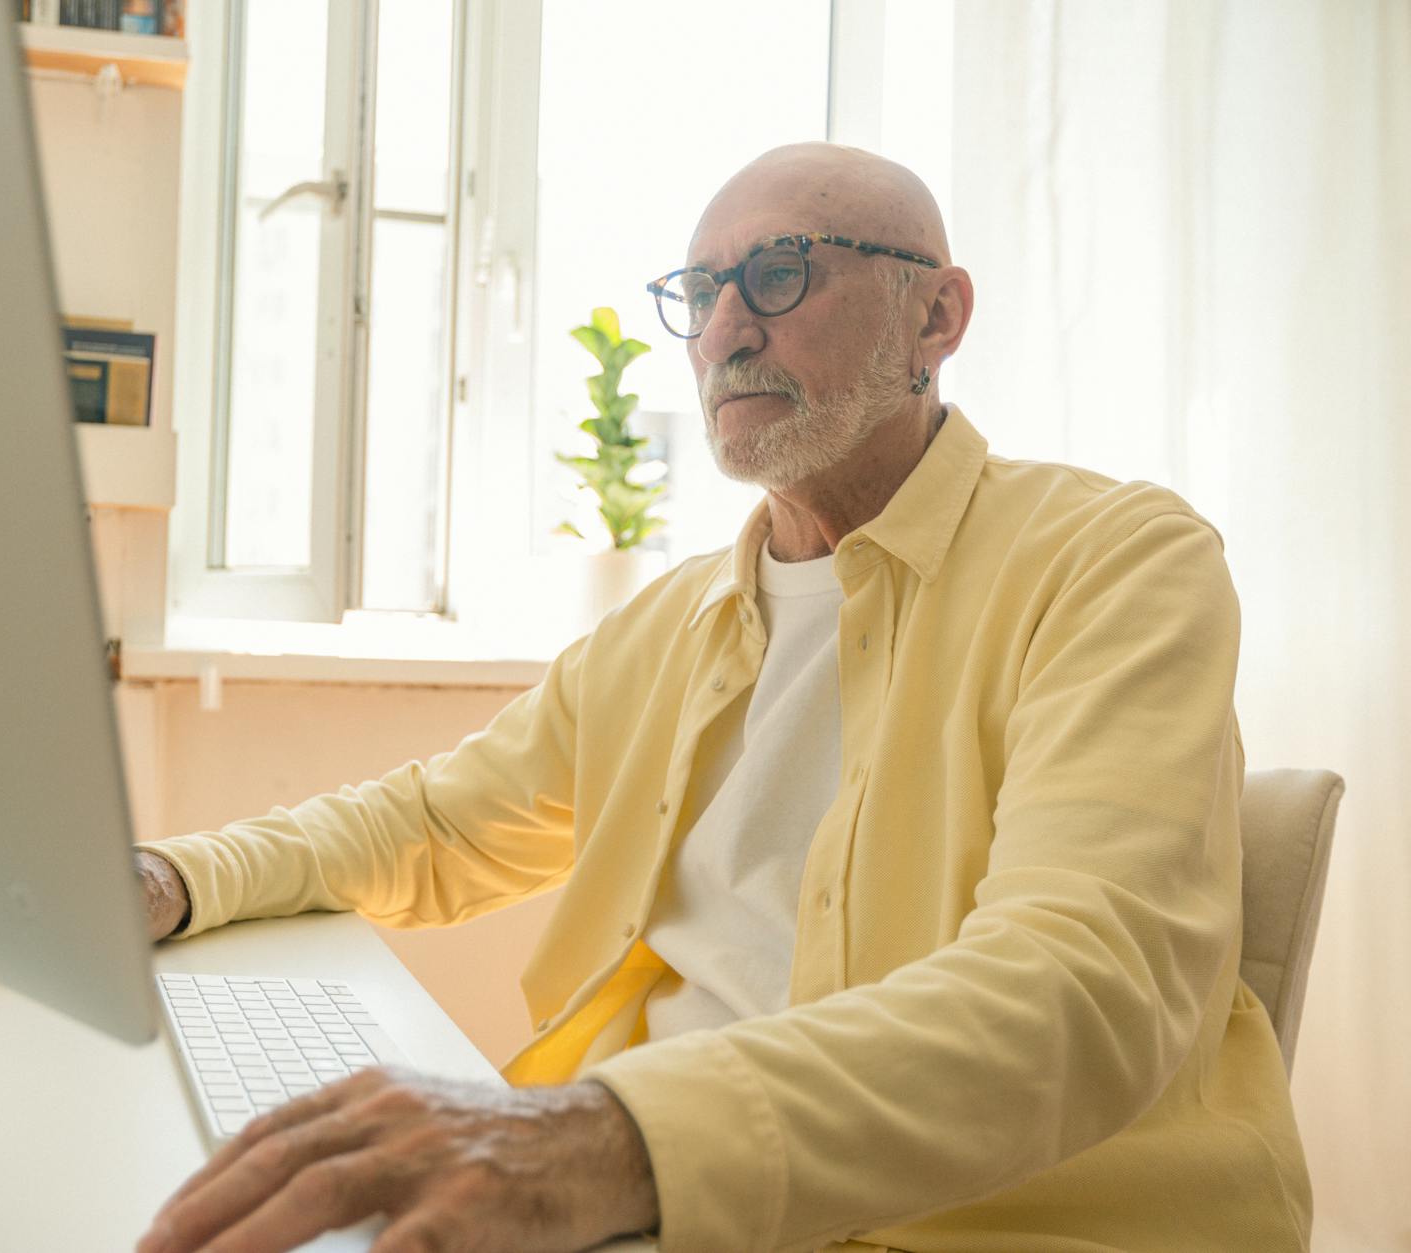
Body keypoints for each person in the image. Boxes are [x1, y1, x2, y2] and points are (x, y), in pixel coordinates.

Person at [130, 143, 1312, 1253]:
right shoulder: (670, 623)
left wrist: (599, 1135)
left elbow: (1079, 986)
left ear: (935, 316)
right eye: (699, 293)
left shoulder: (1113, 560)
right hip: (664, 1197)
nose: (726, 331)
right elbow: (433, 822)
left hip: (953, 1222)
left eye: (779, 274)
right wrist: (175, 877)